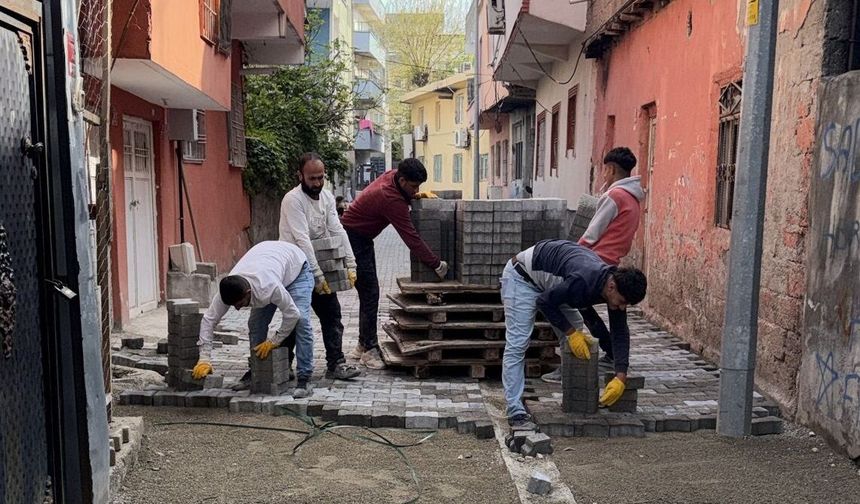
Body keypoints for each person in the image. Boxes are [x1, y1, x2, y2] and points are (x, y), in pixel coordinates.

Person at [501, 239, 647, 428]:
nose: (621, 307)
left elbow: (618, 331)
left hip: (557, 284)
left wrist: (621, 375)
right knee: (518, 342)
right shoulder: (584, 280)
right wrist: (570, 333)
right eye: (622, 301)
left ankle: (573, 397)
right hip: (521, 277)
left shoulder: (610, 284)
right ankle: (515, 411)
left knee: (577, 331)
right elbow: (545, 302)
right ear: (612, 287)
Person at [541, 147, 644, 384]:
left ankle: (569, 364)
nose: (603, 176)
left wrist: (572, 253)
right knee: (612, 315)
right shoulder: (634, 199)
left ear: (610, 169)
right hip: (613, 263)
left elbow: (593, 232)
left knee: (568, 306)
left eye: (604, 171)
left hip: (594, 263)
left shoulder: (614, 196)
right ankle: (612, 355)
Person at [340, 158, 448, 369]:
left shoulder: (393, 177)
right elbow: (411, 238)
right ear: (402, 179)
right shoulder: (390, 198)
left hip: (361, 236)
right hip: (353, 238)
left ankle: (362, 345)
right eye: (414, 186)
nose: (417, 190)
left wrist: (414, 196)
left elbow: (404, 195)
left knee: (368, 292)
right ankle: (369, 350)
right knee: (370, 292)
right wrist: (436, 264)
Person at [191, 241, 316, 398]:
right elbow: (208, 321)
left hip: (297, 270)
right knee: (255, 324)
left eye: (240, 304)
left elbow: (292, 314)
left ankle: (305, 379)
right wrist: (204, 358)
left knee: (302, 321)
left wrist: (275, 341)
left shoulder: (269, 287)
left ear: (248, 292)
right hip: (269, 262)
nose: (237, 308)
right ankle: (256, 371)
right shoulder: (229, 287)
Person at [278, 152, 361, 381]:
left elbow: (337, 230)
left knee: (332, 314)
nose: (317, 183)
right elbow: (302, 239)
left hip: (318, 263)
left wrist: (351, 263)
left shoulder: (326, 197)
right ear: (300, 176)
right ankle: (282, 365)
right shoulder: (292, 200)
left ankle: (336, 364)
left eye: (320, 177)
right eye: (312, 178)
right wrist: (316, 275)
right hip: (294, 267)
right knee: (296, 317)